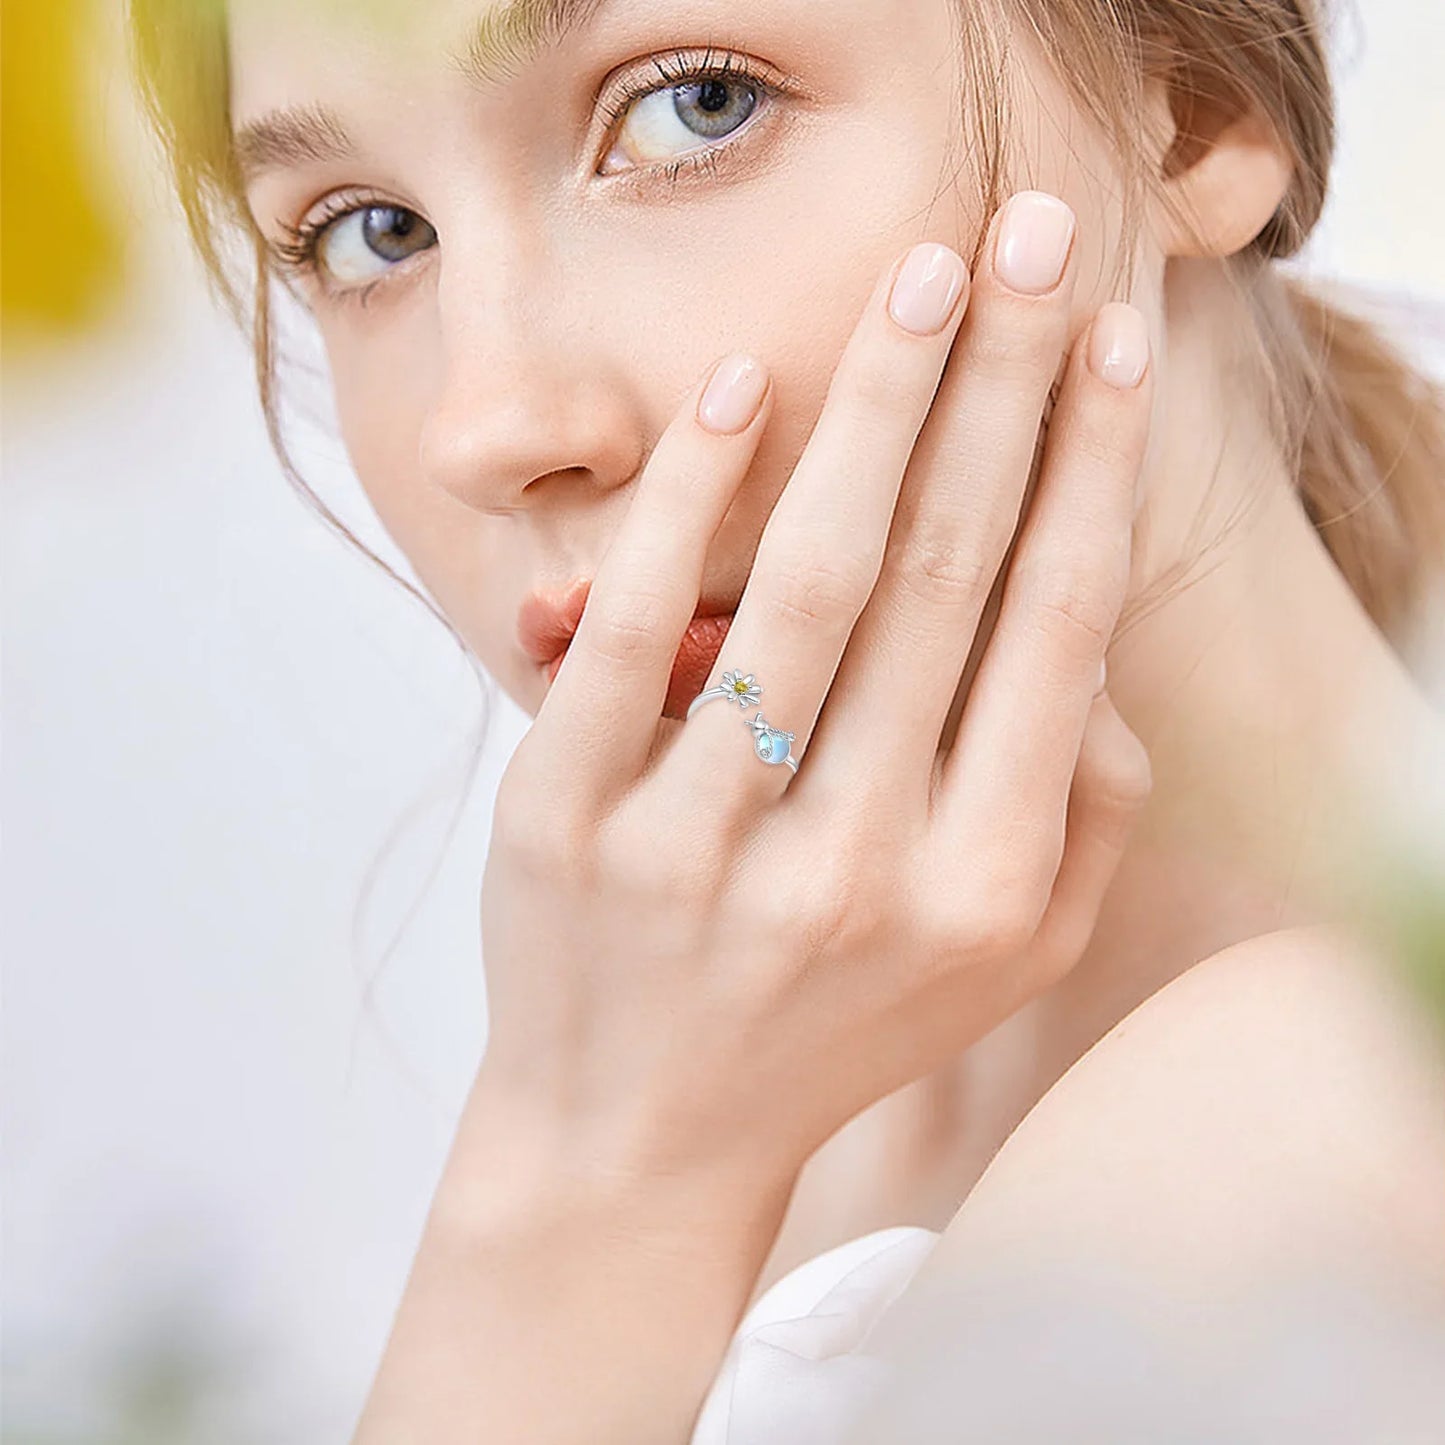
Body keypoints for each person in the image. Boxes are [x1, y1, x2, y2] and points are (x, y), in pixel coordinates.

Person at [129, 0, 1445, 1439]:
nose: (488, 425)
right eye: (367, 232)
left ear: (1189, 105)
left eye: (692, 104)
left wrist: (578, 1196)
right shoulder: (734, 1079)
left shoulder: (1307, 1172)